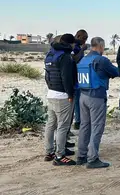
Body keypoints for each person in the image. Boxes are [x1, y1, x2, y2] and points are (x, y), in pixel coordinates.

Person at [76, 37, 119, 169]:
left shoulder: (83, 59)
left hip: (82, 96)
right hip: (96, 97)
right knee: (97, 127)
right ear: (100, 46)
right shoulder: (101, 60)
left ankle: (81, 155)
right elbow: (115, 71)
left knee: (84, 126)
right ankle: (92, 158)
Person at [43, 34, 77, 166]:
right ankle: (60, 156)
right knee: (63, 126)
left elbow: (47, 75)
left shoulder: (50, 54)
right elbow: (66, 77)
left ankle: (49, 152)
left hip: (51, 93)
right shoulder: (65, 57)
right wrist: (70, 94)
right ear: (70, 44)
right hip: (62, 95)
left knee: (51, 124)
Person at [72, 29, 88, 130]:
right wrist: (82, 50)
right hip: (74, 77)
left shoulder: (76, 46)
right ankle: (77, 121)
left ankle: (78, 120)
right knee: (77, 101)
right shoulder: (74, 46)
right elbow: (74, 59)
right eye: (84, 39)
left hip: (78, 76)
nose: (84, 41)